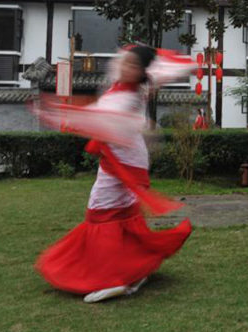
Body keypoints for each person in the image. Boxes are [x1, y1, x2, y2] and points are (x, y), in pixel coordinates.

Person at [34, 45, 194, 302]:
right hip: (126, 158)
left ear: (141, 72)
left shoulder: (126, 97)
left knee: (99, 213)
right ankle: (134, 269)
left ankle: (112, 277)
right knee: (122, 212)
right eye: (123, 61)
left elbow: (99, 118)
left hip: (122, 162)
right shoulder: (126, 88)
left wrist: (59, 112)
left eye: (131, 65)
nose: (123, 66)